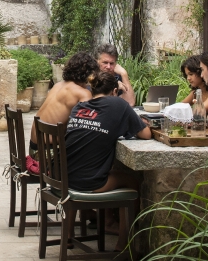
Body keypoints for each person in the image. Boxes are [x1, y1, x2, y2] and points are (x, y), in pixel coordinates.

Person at [63, 71, 151, 249]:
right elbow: (146, 134)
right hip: (90, 184)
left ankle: (68, 235)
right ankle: (123, 244)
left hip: (64, 179)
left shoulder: (80, 107)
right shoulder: (118, 104)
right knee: (133, 182)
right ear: (114, 91)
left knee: (85, 168)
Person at [28, 52, 98, 155]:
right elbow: (87, 125)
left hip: (34, 150)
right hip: (50, 155)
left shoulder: (57, 85)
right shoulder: (83, 93)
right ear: (89, 74)